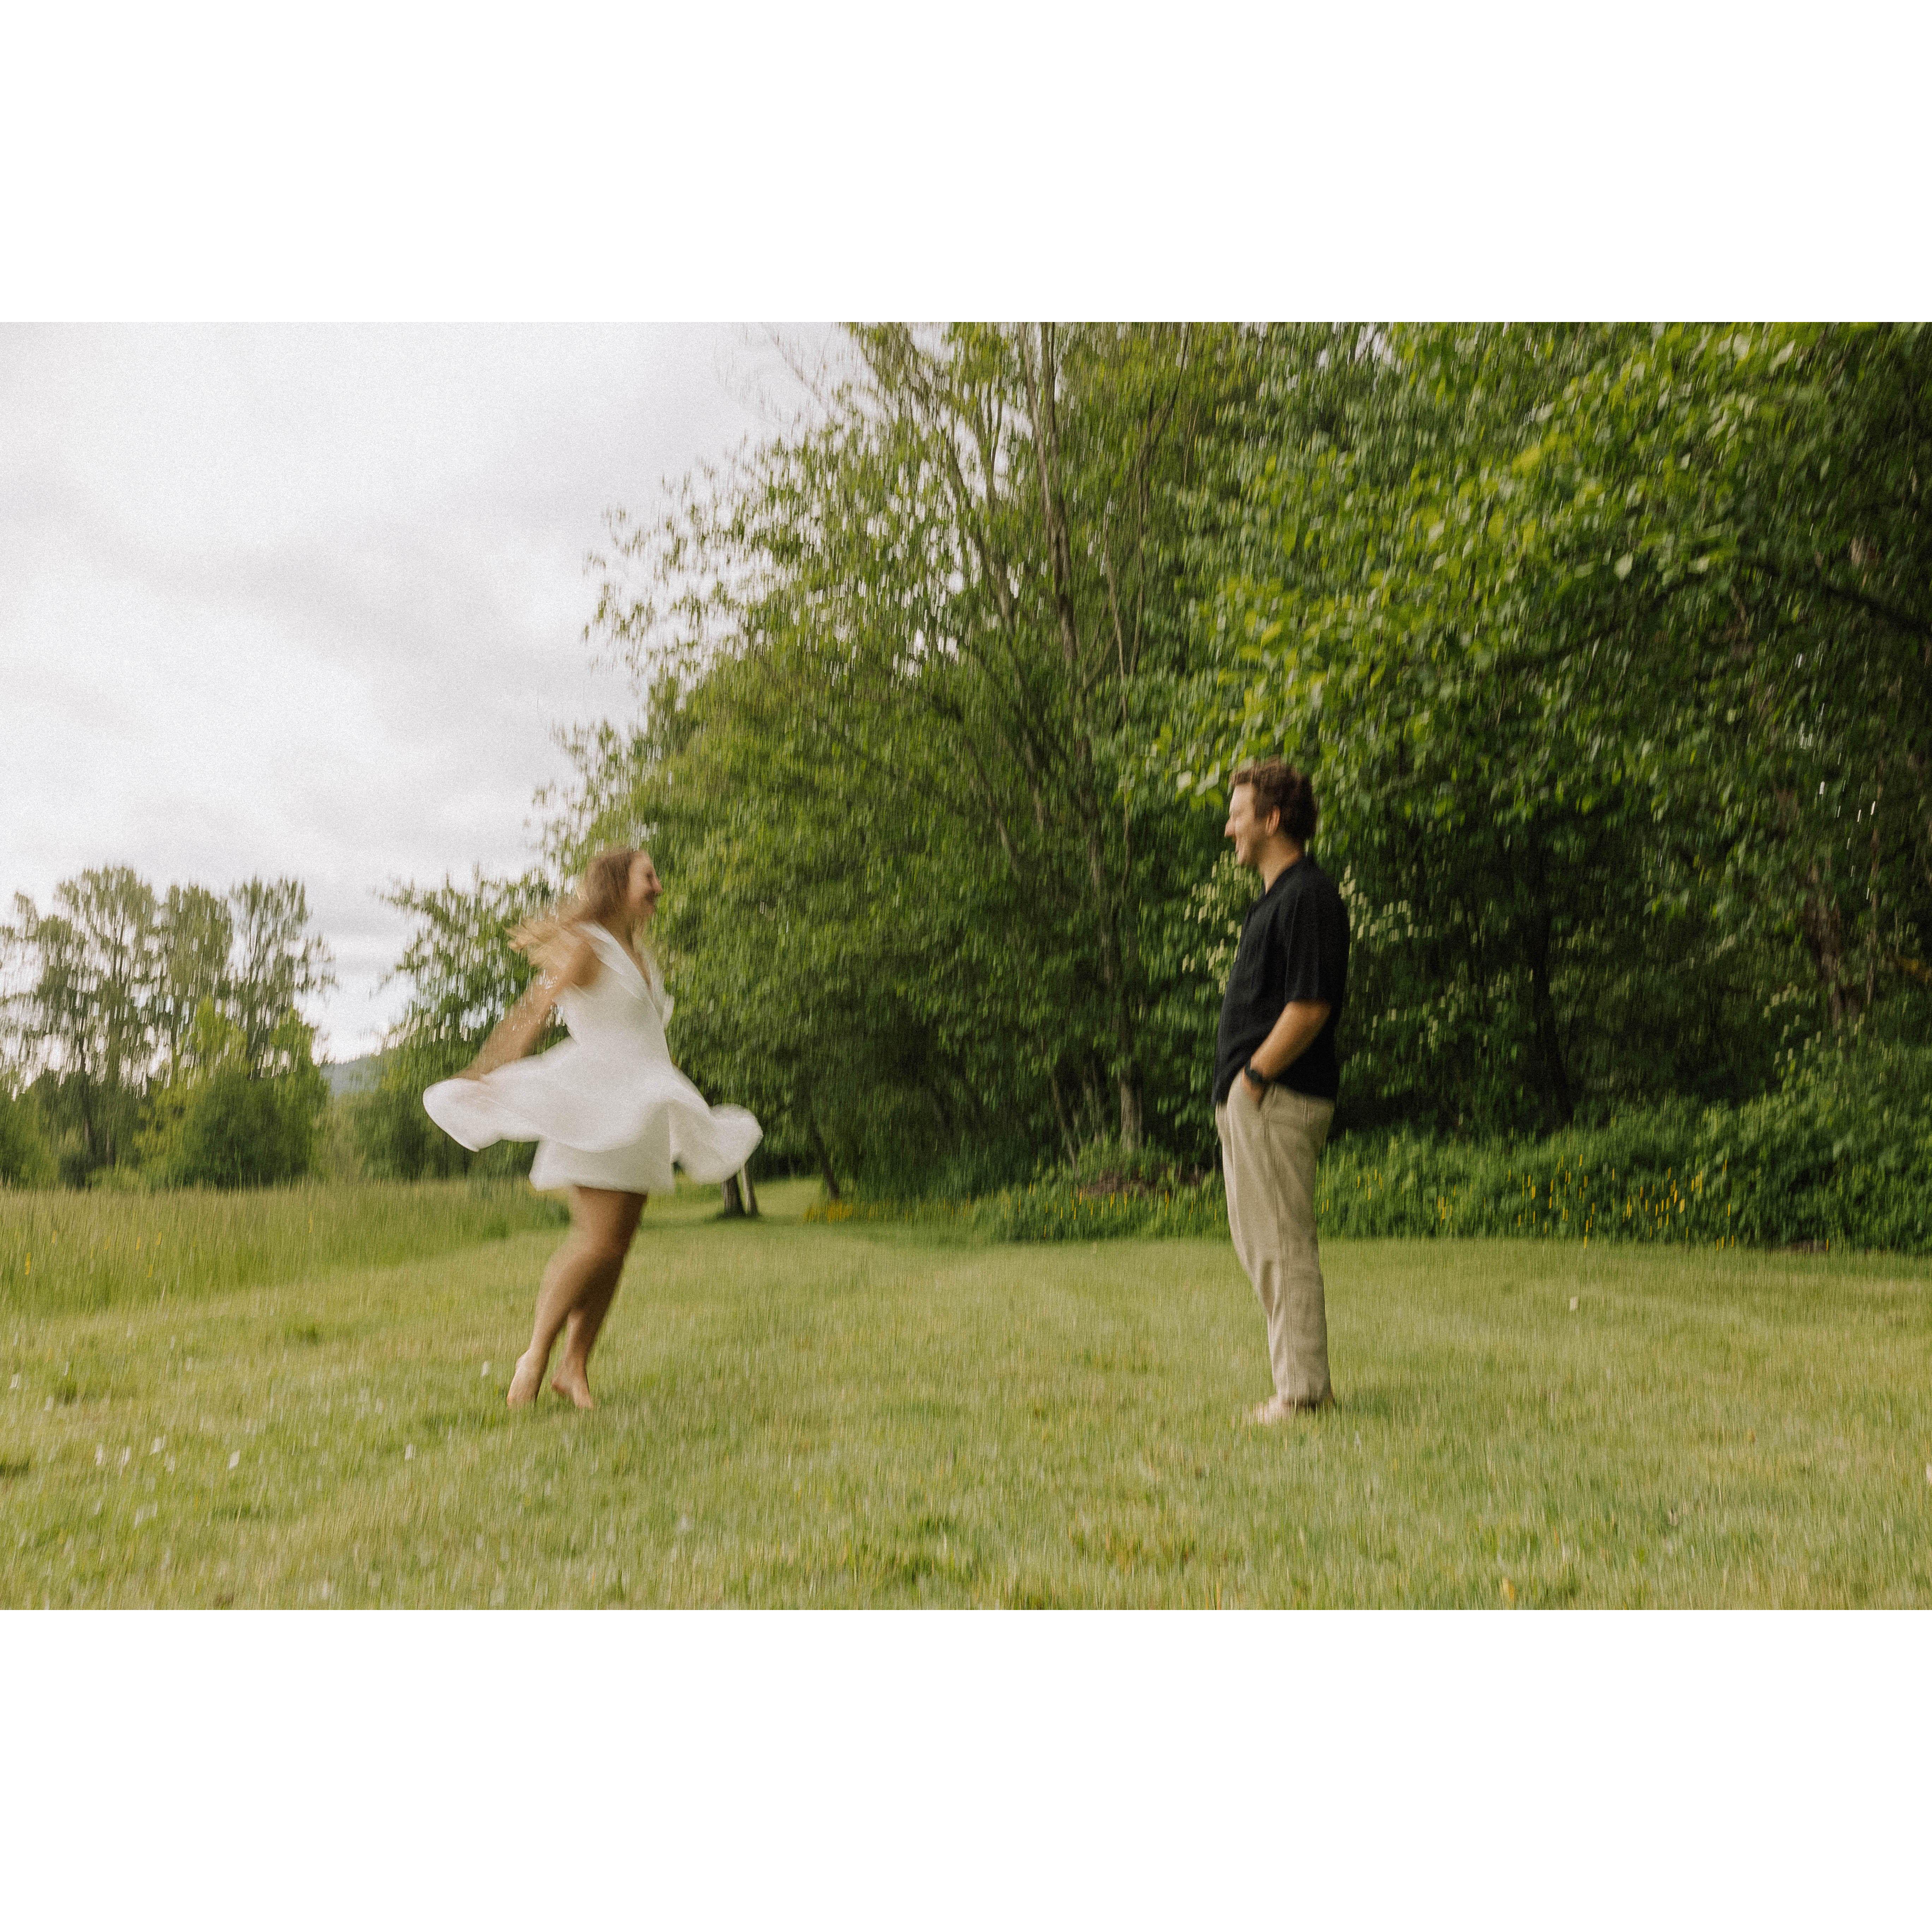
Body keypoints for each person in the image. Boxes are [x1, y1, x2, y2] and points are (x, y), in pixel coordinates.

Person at [422, 847, 761, 1410]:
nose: (658, 887)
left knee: (617, 1248)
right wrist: (487, 1071)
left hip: (643, 1107)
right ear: (618, 883)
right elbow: (534, 1012)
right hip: (596, 1106)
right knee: (597, 1242)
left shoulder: (640, 954)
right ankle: (535, 1356)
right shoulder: (591, 947)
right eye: (648, 877)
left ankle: (573, 1367)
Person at [1213, 759, 1349, 1423]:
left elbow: (1311, 1004)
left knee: (1282, 1245)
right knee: (1264, 1246)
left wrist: (1256, 1078)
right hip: (1257, 1101)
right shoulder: (1275, 900)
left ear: (1272, 820)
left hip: (1277, 1098)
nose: (1229, 828)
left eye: (1238, 814)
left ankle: (1301, 1396)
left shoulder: (1308, 897)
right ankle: (1303, 1384)